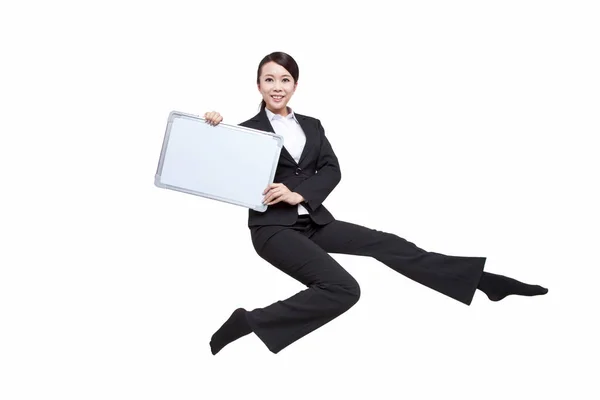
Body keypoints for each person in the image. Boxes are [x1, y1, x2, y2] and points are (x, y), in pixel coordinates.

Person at [203, 51, 548, 355]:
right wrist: (213, 130)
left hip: (313, 222)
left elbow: (331, 169)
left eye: (285, 79)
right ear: (258, 85)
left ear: (295, 85)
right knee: (343, 289)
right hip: (273, 230)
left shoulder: (311, 125)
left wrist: (300, 194)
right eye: (269, 79)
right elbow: (218, 170)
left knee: (389, 244)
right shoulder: (244, 131)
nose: (277, 86)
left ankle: (483, 282)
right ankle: (249, 321)